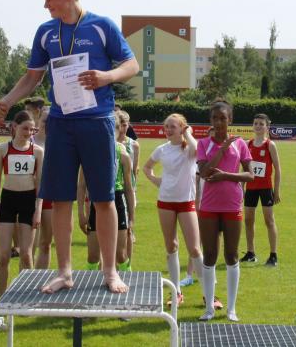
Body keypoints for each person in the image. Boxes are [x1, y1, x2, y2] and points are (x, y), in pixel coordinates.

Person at [0, 0, 139, 293]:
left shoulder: (101, 26)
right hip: (60, 122)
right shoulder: (46, 31)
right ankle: (64, 272)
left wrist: (106, 77)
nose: (45, 5)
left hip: (97, 121)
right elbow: (32, 77)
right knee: (60, 200)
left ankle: (110, 272)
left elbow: (132, 65)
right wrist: (5, 102)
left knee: (103, 199)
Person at [196, 101, 253, 322]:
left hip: (232, 205)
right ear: (210, 121)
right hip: (209, 206)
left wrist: (227, 176)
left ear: (230, 120)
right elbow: (203, 172)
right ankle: (209, 308)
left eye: (223, 118)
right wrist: (221, 149)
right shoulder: (203, 143)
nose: (219, 122)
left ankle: (231, 309)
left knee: (231, 255)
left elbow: (250, 175)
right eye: (215, 118)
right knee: (210, 255)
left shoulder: (241, 144)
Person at [142, 114, 203, 307]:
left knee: (195, 249)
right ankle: (176, 292)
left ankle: (207, 293)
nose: (167, 130)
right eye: (166, 126)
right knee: (171, 246)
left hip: (186, 203)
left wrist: (188, 133)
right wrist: (156, 181)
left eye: (172, 127)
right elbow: (146, 168)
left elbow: (198, 151)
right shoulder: (162, 149)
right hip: (166, 202)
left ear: (182, 128)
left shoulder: (189, 149)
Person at [0, 111, 44, 295]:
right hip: (8, 199)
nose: (28, 133)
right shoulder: (3, 149)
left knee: (27, 255)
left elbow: (40, 183)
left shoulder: (37, 151)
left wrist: (38, 210)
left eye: (32, 129)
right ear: (14, 127)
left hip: (28, 200)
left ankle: (26, 297)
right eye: (25, 128)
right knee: (4, 254)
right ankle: (2, 297)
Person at [79, 118, 136, 271]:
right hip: (97, 200)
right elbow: (82, 185)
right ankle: (89, 285)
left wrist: (132, 217)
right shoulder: (89, 153)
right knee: (93, 257)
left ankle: (127, 281)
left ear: (117, 131)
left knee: (120, 255)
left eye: (112, 130)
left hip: (117, 199)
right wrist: (81, 213)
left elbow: (128, 188)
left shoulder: (122, 154)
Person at [241, 113, 282, 267]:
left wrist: (276, 191)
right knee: (248, 220)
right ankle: (250, 253)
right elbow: (245, 168)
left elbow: (278, 169)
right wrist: (241, 187)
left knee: (269, 220)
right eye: (255, 123)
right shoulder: (248, 144)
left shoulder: (270, 145)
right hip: (251, 188)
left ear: (267, 127)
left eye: (261, 124)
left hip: (266, 188)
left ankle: (273, 255)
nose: (258, 126)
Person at [24, 98, 54, 269]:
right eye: (44, 121)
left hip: (51, 196)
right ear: (38, 119)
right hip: (29, 195)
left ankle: (41, 279)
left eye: (51, 122)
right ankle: (26, 280)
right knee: (28, 247)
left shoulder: (59, 143)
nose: (47, 124)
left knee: (46, 243)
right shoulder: (29, 142)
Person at [114, 109, 139, 267]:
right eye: (121, 125)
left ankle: (127, 264)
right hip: (114, 190)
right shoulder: (111, 144)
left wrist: (133, 191)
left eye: (125, 124)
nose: (123, 128)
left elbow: (134, 170)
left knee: (128, 229)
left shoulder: (134, 144)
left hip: (127, 189)